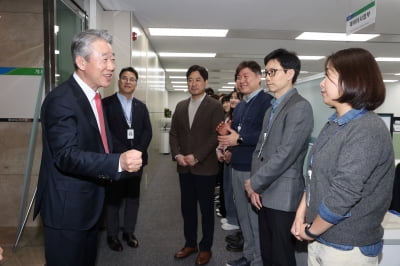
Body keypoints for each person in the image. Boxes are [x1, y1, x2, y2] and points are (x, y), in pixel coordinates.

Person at [33, 29, 143, 266]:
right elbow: (66, 156)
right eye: (104, 59)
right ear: (81, 61)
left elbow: (99, 143)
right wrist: (117, 162)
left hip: (90, 205)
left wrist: (120, 155)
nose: (111, 66)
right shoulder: (61, 100)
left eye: (113, 58)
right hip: (67, 211)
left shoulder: (93, 98)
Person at [291, 48, 395, 266]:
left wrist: (311, 232)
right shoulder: (334, 124)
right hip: (322, 237)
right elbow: (313, 178)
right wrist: (302, 214)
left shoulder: (366, 129)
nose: (322, 83)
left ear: (352, 80)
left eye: (328, 76)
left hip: (347, 246)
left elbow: (343, 194)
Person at [244, 48, 313, 266]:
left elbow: (286, 154)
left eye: (273, 72)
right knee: (268, 254)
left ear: (290, 73)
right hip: (265, 192)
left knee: (282, 256)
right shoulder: (272, 108)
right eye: (266, 72)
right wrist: (256, 185)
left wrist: (254, 183)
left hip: (284, 197)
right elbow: (261, 150)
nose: (267, 78)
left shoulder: (300, 107)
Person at [218, 61, 273, 266]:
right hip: (237, 166)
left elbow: (266, 135)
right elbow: (236, 133)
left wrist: (239, 140)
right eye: (238, 77)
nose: (241, 80)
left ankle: (258, 260)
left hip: (254, 169)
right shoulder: (240, 106)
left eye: (246, 76)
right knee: (243, 217)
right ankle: (249, 255)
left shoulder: (267, 102)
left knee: (255, 219)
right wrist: (230, 148)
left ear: (260, 77)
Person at [170, 65, 224, 265]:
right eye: (190, 80)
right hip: (184, 167)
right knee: (187, 208)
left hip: (205, 168)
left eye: (198, 79)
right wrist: (177, 155)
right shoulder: (181, 106)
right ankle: (190, 243)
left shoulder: (214, 106)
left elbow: (215, 135)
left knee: (206, 210)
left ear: (205, 82)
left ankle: (206, 247)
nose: (193, 83)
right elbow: (174, 133)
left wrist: (197, 156)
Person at [102, 67, 152, 251]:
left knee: (133, 198)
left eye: (132, 79)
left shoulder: (141, 106)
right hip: (115, 160)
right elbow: (105, 132)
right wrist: (124, 153)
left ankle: (129, 232)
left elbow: (147, 131)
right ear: (119, 81)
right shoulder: (106, 104)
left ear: (136, 83)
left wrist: (137, 151)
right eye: (125, 78)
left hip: (137, 161)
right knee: (113, 198)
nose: (128, 82)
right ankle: (112, 235)